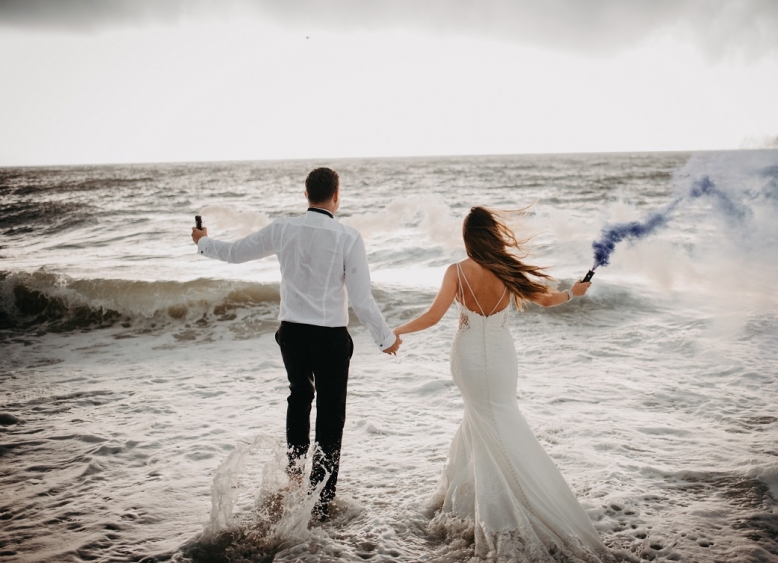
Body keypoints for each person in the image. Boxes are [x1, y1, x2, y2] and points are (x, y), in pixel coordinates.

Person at [393, 206, 611, 561]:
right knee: (497, 422)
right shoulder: (507, 270)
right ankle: (482, 501)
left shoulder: (456, 272)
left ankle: (494, 504)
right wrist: (573, 293)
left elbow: (433, 316)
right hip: (501, 360)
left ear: (467, 238)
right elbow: (548, 299)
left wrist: (395, 331)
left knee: (483, 422)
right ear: (493, 235)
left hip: (466, 361)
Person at [191, 167, 400, 517]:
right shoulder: (348, 237)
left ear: (306, 195)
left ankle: (293, 476)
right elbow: (361, 299)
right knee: (331, 416)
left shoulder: (282, 228)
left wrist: (202, 242)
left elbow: (235, 253)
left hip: (292, 334)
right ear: (336, 196)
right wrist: (385, 339)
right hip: (331, 338)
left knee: (300, 397)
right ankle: (320, 501)